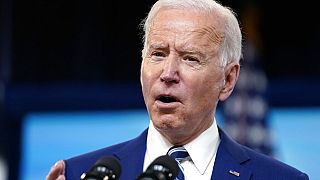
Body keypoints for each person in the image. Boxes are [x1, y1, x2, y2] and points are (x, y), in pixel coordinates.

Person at [46, 0, 309, 179]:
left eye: (190, 58)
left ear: (228, 80)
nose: (168, 74)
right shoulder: (82, 173)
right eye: (158, 54)